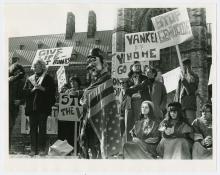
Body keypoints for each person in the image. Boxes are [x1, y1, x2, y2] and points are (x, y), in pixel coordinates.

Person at [79, 48, 122, 159]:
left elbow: (99, 94)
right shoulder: (94, 80)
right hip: (89, 116)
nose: (91, 64)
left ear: (102, 62)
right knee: (89, 142)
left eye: (94, 60)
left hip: (102, 116)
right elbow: (90, 92)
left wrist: (85, 95)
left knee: (99, 142)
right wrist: (82, 95)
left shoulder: (107, 78)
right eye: (89, 61)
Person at [23, 59, 56, 156]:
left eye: (37, 66)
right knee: (32, 129)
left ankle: (42, 149)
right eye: (34, 66)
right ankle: (33, 149)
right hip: (32, 108)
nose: (35, 67)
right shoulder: (30, 79)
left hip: (43, 108)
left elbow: (53, 92)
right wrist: (33, 89)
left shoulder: (48, 78)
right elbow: (24, 92)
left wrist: (43, 88)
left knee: (42, 129)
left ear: (42, 66)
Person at [122, 61, 152, 141]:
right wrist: (136, 88)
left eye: (139, 66)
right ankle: (128, 145)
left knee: (139, 123)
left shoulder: (145, 78)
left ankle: (139, 145)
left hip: (140, 102)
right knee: (128, 124)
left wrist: (132, 88)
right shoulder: (126, 80)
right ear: (132, 67)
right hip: (129, 103)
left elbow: (143, 86)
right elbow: (126, 91)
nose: (138, 67)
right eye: (136, 66)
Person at [58, 76, 83, 149]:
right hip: (68, 116)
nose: (72, 83)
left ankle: (77, 149)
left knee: (77, 133)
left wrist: (77, 93)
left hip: (78, 115)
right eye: (71, 81)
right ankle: (70, 149)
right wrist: (62, 93)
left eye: (74, 81)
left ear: (78, 83)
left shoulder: (81, 91)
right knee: (69, 133)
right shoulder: (67, 91)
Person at [174, 57, 199, 125]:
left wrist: (184, 80)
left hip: (189, 106)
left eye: (182, 66)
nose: (180, 68)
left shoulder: (194, 76)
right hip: (180, 106)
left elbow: (189, 92)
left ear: (187, 66)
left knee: (191, 126)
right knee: (181, 127)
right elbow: (178, 93)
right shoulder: (181, 77)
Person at [9, 57, 25, 153]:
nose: (17, 73)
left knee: (10, 128)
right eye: (15, 71)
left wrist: (20, 101)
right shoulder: (7, 80)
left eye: (19, 72)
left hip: (13, 108)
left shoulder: (22, 83)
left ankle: (8, 148)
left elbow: (25, 96)